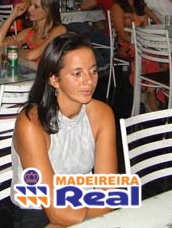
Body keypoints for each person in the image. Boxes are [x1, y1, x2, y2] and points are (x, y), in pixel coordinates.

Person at [11, 33, 116, 227]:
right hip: (39, 212)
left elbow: (107, 191)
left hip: (86, 205)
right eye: (77, 74)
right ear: (54, 79)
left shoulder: (102, 114)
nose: (89, 81)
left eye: (93, 71)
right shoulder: (31, 123)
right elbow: (56, 213)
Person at [111, 0, 172, 112]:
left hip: (145, 43)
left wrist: (157, 35)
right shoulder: (117, 7)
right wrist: (141, 43)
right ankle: (150, 97)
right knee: (151, 59)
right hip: (127, 44)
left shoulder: (141, 6)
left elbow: (157, 22)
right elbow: (121, 34)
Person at [0, 0, 67, 61]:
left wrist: (15, 50)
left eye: (36, 6)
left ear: (48, 10)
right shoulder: (29, 32)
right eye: (30, 4)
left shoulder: (59, 30)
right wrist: (13, 15)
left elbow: (31, 55)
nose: (29, 9)